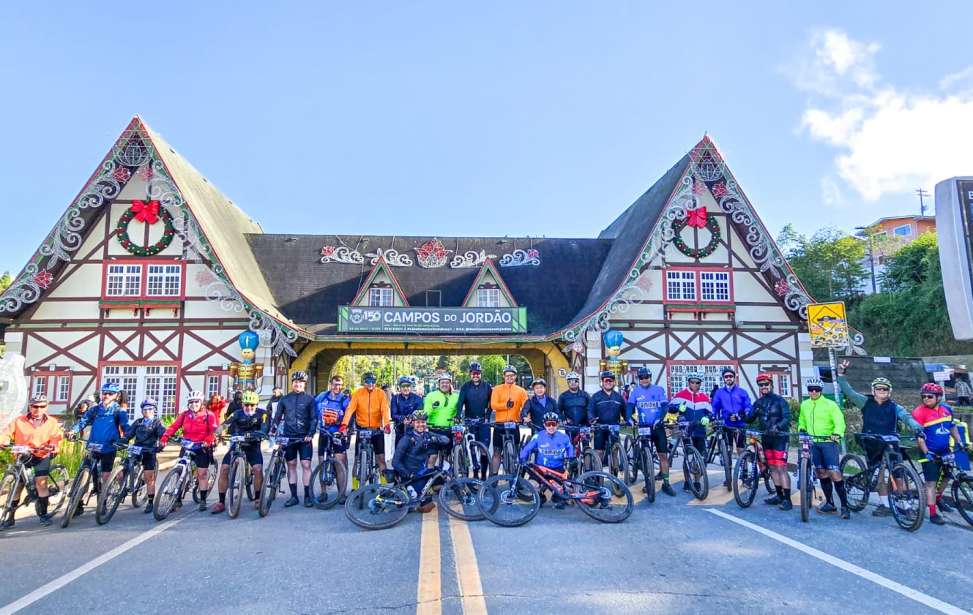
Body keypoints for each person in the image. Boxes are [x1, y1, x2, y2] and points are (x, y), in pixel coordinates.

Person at [837, 359, 921, 516]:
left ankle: (903, 503)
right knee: (879, 474)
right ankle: (885, 505)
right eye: (879, 389)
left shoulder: (895, 407)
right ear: (873, 390)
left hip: (890, 442)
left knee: (898, 473)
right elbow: (848, 391)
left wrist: (917, 428)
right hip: (872, 442)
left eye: (885, 389)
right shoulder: (865, 402)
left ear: (889, 391)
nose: (882, 391)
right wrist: (841, 374)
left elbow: (908, 418)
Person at [0, 395, 63, 528]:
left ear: (46, 407)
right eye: (35, 406)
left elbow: (56, 438)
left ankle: (43, 515)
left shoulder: (52, 422)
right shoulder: (19, 420)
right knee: (16, 487)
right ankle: (10, 518)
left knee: (41, 483)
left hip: (41, 454)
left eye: (42, 406)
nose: (38, 409)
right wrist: (4, 440)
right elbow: (6, 432)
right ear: (30, 406)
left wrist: (53, 446)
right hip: (22, 456)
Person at [912, 382, 968, 525]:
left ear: (938, 397)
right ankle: (932, 513)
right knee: (931, 482)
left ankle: (938, 499)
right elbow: (919, 437)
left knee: (948, 476)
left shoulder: (947, 409)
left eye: (929, 396)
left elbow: (952, 427)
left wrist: (960, 442)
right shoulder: (919, 412)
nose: (926, 399)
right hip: (928, 451)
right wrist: (927, 452)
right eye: (923, 396)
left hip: (945, 450)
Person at [71, 381, 129, 516]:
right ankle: (76, 504)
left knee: (105, 476)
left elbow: (125, 427)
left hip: (109, 446)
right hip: (93, 445)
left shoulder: (119, 411)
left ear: (116, 396)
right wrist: (73, 431)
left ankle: (102, 502)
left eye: (110, 393)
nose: (106, 395)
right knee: (83, 472)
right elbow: (83, 421)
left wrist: (124, 440)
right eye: (104, 393)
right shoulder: (95, 409)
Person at [798, 378, 850, 519]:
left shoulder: (830, 404)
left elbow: (839, 421)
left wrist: (837, 434)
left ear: (821, 390)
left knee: (834, 473)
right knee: (821, 473)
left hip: (828, 442)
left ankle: (845, 506)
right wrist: (801, 428)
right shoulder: (805, 404)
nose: (813, 392)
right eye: (811, 389)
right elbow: (802, 419)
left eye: (817, 389)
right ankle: (830, 503)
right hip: (813, 442)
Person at [210, 390, 268, 514]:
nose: (249, 407)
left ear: (256, 405)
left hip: (253, 444)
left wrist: (261, 433)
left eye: (252, 405)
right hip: (237, 443)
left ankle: (258, 497)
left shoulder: (261, 414)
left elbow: (265, 427)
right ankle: (221, 502)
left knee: (258, 469)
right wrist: (216, 433)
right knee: (224, 468)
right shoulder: (237, 413)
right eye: (246, 405)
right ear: (242, 404)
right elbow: (225, 424)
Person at [161, 390, 218, 511]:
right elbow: (174, 426)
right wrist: (165, 436)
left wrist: (208, 440)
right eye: (191, 402)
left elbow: (213, 431)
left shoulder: (209, 415)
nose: (193, 404)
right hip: (187, 445)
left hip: (202, 447)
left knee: (202, 473)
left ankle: (203, 499)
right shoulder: (185, 415)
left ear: (201, 402)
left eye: (196, 402)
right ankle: (177, 500)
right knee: (180, 469)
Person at [746, 372, 792, 510]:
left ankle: (787, 500)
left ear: (771, 384)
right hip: (766, 438)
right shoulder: (758, 402)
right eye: (761, 385)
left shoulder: (780, 400)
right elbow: (750, 418)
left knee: (781, 468)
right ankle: (779, 495)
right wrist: (739, 416)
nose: (764, 387)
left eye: (766, 384)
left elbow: (787, 417)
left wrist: (777, 427)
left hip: (780, 438)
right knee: (772, 467)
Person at [272, 371, 318, 507]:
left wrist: (310, 433)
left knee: (306, 465)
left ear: (304, 384)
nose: (297, 384)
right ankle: (293, 497)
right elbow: (277, 417)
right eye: (295, 382)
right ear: (292, 383)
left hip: (304, 438)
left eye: (300, 382)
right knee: (291, 465)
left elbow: (314, 418)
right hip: (289, 437)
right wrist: (273, 429)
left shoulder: (310, 399)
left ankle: (308, 496)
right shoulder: (284, 399)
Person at [627, 368, 674, 496]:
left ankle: (666, 483)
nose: (644, 379)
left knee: (663, 455)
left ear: (650, 377)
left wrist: (660, 418)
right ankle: (648, 482)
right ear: (638, 379)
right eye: (641, 377)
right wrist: (629, 418)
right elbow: (630, 407)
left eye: (646, 377)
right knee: (646, 456)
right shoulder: (635, 391)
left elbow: (665, 406)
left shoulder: (658, 389)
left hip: (657, 426)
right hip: (643, 427)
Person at [391, 410, 450, 512]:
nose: (421, 425)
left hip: (421, 472)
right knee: (426, 508)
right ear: (413, 423)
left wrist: (434, 439)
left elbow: (446, 440)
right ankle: (408, 494)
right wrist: (408, 474)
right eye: (418, 422)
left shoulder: (427, 435)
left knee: (445, 477)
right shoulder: (406, 439)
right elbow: (395, 462)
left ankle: (425, 491)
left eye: (423, 422)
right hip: (409, 475)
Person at [340, 372, 392, 485]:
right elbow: (350, 409)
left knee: (381, 458)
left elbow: (384, 409)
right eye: (368, 382)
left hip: (376, 429)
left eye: (373, 382)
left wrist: (386, 424)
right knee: (357, 459)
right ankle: (354, 486)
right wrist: (344, 425)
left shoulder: (381, 393)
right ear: (364, 382)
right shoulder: (358, 393)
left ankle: (384, 486)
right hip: (362, 429)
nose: (371, 384)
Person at [519, 411, 575, 508]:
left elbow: (570, 448)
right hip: (540, 470)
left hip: (557, 469)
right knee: (532, 485)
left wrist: (571, 458)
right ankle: (540, 497)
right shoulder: (538, 436)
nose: (551, 427)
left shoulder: (564, 437)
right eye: (548, 424)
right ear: (544, 424)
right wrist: (522, 458)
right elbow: (527, 448)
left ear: (557, 424)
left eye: (554, 424)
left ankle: (556, 496)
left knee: (569, 489)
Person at [669, 370, 712, 492]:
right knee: (688, 456)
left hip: (699, 429)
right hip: (686, 429)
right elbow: (670, 408)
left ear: (700, 384)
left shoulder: (704, 397)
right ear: (689, 383)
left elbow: (711, 413)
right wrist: (678, 407)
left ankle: (697, 481)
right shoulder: (681, 395)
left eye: (698, 383)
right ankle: (688, 480)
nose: (695, 385)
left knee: (700, 457)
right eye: (692, 382)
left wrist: (707, 418)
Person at [122, 398, 166, 513]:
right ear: (142, 411)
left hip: (149, 451)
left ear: (154, 410)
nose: (147, 411)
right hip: (136, 449)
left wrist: (162, 443)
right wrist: (124, 440)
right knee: (121, 471)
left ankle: (150, 501)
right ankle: (120, 490)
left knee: (149, 477)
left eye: (150, 409)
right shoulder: (138, 422)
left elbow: (163, 434)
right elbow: (129, 433)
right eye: (145, 409)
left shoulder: (157, 423)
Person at [314, 375, 350, 507]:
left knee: (339, 463)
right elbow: (313, 410)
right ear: (330, 384)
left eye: (340, 385)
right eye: (335, 384)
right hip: (324, 433)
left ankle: (341, 494)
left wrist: (345, 430)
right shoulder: (322, 396)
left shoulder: (345, 399)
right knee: (321, 462)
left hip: (338, 434)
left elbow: (349, 416)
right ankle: (323, 492)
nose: (337, 387)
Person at [489, 365, 529, 473]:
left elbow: (526, 405)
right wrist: (505, 405)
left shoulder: (521, 391)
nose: (509, 378)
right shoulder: (497, 389)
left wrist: (526, 417)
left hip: (514, 424)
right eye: (507, 375)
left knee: (515, 453)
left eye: (512, 375)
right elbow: (493, 405)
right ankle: (493, 478)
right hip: (500, 424)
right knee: (497, 453)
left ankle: (515, 478)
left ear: (515, 377)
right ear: (504, 376)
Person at [588, 371, 629, 471]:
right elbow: (590, 410)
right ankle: (598, 473)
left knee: (615, 450)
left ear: (614, 382)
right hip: (600, 427)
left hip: (614, 426)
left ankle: (615, 471)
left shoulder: (619, 397)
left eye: (610, 380)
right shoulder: (596, 396)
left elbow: (625, 411)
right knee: (599, 452)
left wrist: (629, 420)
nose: (608, 382)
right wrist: (592, 419)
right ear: (602, 382)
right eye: (606, 380)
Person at [456, 362, 493, 469]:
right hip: (469, 420)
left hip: (483, 421)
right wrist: (458, 415)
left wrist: (488, 416)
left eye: (477, 373)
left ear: (481, 374)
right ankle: (474, 471)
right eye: (473, 373)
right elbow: (460, 402)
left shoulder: (487, 386)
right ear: (470, 374)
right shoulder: (465, 386)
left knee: (484, 449)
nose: (475, 375)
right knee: (471, 447)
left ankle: (484, 475)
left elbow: (492, 403)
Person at [711, 367, 752, 455]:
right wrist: (711, 416)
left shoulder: (742, 392)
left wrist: (743, 414)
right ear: (724, 379)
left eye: (730, 376)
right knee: (728, 448)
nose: (728, 378)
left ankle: (743, 468)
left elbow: (748, 405)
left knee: (740, 448)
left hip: (740, 423)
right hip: (726, 423)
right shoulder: (719, 392)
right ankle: (728, 467)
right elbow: (714, 407)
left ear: (734, 377)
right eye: (726, 377)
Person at [423, 374, 459, 464]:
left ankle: (445, 475)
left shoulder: (456, 397)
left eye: (447, 382)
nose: (445, 384)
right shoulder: (431, 396)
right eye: (442, 382)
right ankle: (430, 474)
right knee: (433, 456)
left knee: (446, 456)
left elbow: (458, 412)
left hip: (448, 430)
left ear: (450, 384)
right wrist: (433, 407)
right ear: (438, 384)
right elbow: (426, 412)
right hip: (433, 430)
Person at [391, 376, 423, 447]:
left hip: (415, 430)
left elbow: (420, 412)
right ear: (399, 387)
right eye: (403, 386)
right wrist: (403, 419)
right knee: (399, 454)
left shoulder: (418, 398)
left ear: (411, 387)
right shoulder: (395, 398)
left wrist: (411, 418)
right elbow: (393, 414)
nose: (406, 388)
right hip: (400, 429)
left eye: (408, 386)